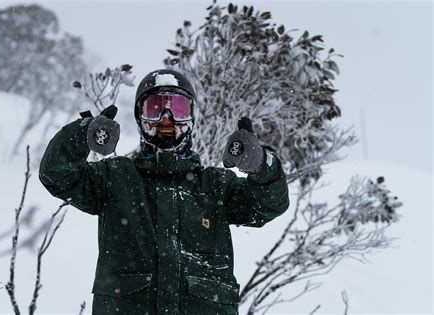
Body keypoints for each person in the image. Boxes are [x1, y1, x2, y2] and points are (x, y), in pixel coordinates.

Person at [39, 69, 290, 314]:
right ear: (140, 117)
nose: (166, 120)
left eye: (179, 110)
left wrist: (263, 166)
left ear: (191, 118)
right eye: (155, 109)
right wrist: (82, 133)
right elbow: (56, 174)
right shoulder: (114, 178)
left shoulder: (216, 186)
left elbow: (270, 204)